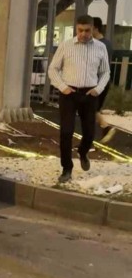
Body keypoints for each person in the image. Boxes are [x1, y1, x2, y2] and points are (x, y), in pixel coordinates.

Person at [48, 15, 110, 183]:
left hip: (90, 94)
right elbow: (53, 69)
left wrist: (98, 89)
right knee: (66, 132)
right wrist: (62, 87)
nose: (83, 34)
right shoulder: (66, 46)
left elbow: (105, 72)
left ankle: (83, 152)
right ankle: (66, 168)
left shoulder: (100, 48)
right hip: (69, 94)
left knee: (89, 132)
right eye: (80, 30)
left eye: (87, 30)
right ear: (76, 29)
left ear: (93, 29)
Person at [93, 16, 115, 142]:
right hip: (103, 81)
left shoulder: (100, 45)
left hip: (98, 81)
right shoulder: (107, 44)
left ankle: (105, 126)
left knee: (90, 108)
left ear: (95, 28)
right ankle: (104, 128)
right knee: (93, 109)